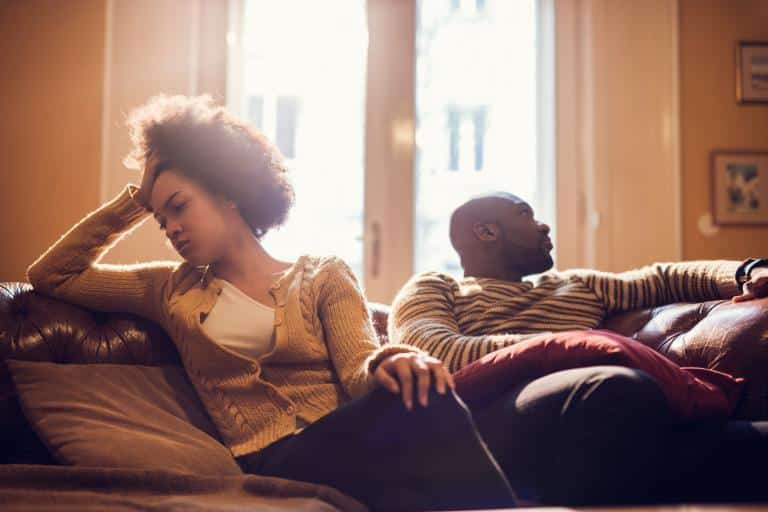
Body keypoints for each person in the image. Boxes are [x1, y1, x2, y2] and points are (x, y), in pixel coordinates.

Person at [26, 95, 516, 511]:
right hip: (270, 459)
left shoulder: (324, 274)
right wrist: (138, 199)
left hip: (346, 438)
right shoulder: (168, 289)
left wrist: (394, 359)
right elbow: (53, 274)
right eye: (161, 219)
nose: (171, 227)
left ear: (229, 194)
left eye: (179, 207)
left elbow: (358, 371)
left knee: (424, 391)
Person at [388, 191, 768, 504]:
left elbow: (665, 278)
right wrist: (568, 348)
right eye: (527, 214)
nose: (544, 225)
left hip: (603, 412)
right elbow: (434, 354)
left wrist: (747, 271)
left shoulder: (579, 286)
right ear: (486, 231)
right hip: (490, 417)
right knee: (616, 387)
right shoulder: (437, 287)